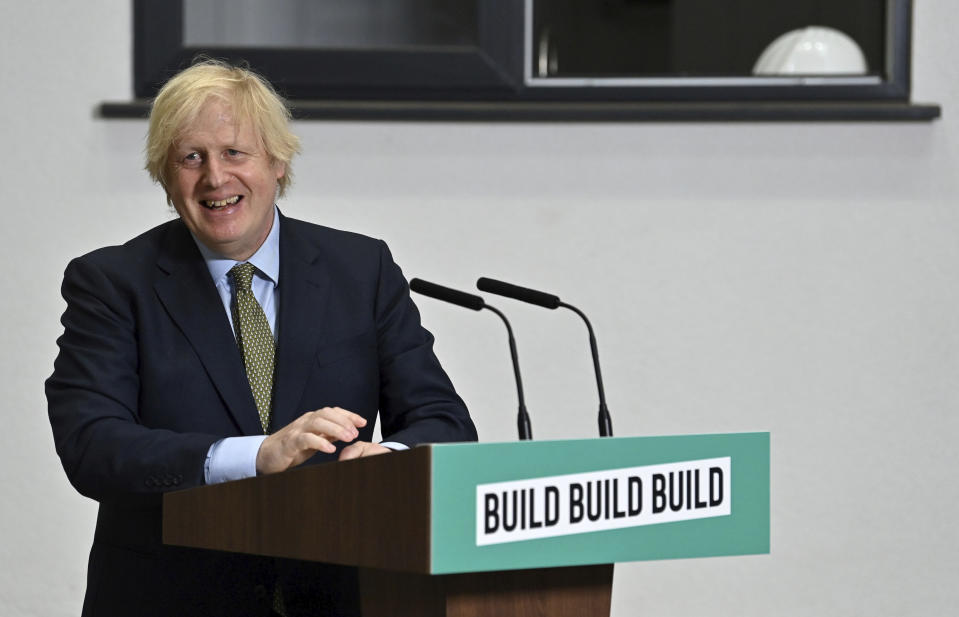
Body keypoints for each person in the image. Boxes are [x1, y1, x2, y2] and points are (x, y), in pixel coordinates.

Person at [46, 59, 476, 617]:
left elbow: (443, 420)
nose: (215, 178)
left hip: (338, 596)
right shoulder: (111, 283)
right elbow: (93, 446)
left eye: (234, 153)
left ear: (277, 161)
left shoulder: (360, 268)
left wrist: (387, 462)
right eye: (190, 158)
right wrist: (254, 456)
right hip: (170, 599)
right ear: (164, 175)